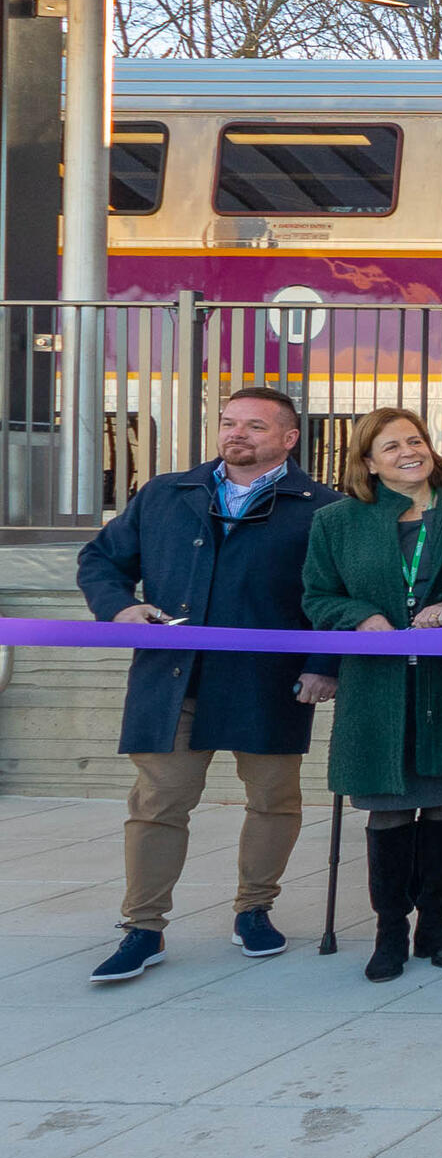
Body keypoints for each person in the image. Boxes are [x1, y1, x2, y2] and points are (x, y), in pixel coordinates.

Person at [79, 387, 338, 983]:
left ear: (289, 438)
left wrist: (325, 664)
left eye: (253, 425)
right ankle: (142, 928)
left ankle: (255, 911)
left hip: (269, 682)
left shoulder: (322, 507)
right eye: (228, 423)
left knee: (274, 801)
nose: (235, 433)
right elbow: (101, 560)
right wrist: (119, 609)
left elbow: (333, 595)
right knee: (157, 803)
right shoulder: (167, 493)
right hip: (175, 679)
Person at [301, 408, 442, 982]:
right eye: (391, 447)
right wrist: (359, 616)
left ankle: (434, 928)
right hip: (377, 687)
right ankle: (389, 931)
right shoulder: (337, 522)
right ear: (367, 462)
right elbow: (318, 595)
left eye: (415, 441)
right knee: (388, 810)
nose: (409, 452)